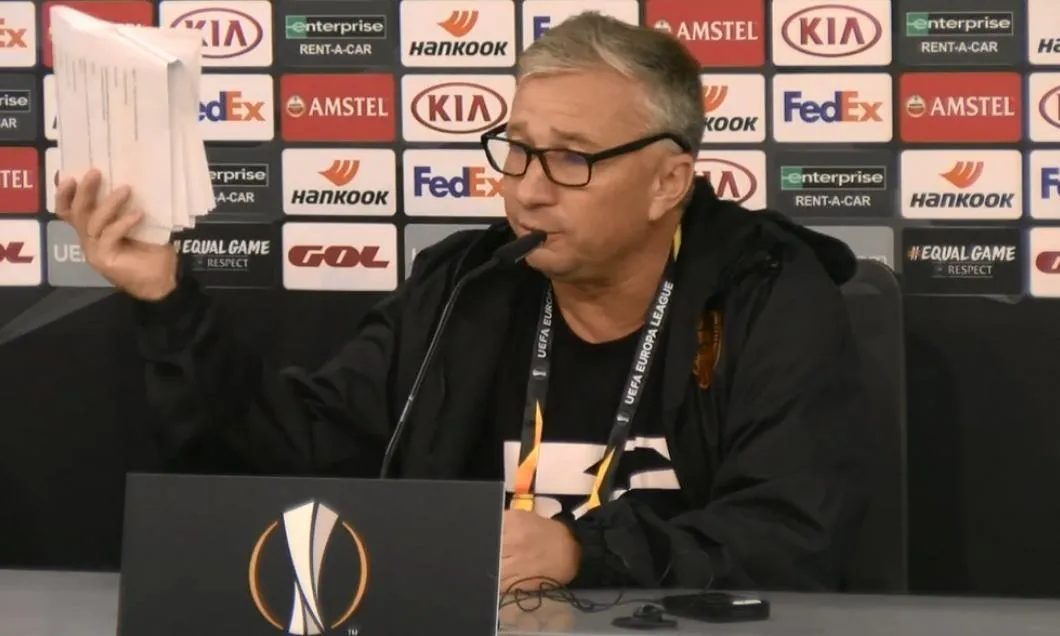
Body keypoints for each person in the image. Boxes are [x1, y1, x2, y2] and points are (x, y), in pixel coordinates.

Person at [55, 12, 871, 593]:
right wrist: (167, 299)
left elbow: (791, 537)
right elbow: (300, 456)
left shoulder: (768, 297)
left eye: (572, 159)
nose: (529, 189)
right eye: (516, 150)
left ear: (668, 182)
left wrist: (580, 554)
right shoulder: (468, 286)